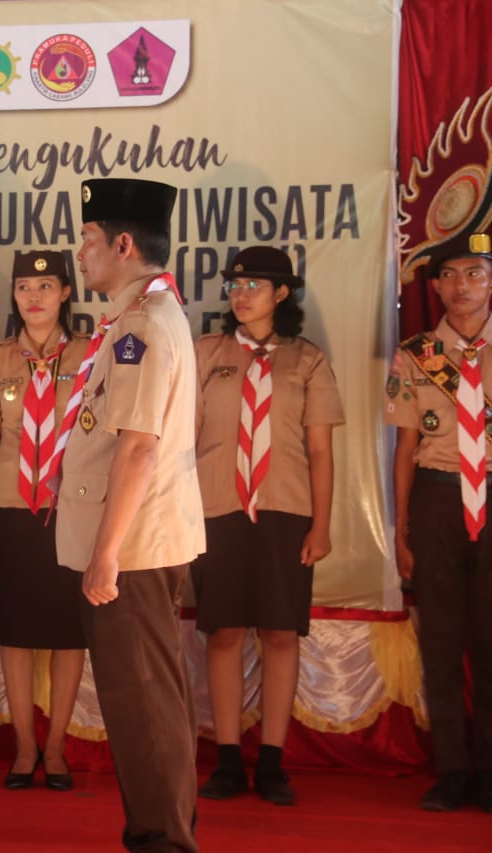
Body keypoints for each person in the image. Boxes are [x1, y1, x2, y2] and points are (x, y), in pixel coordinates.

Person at [52, 178, 203, 852]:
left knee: (141, 702)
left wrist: (106, 554)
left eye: (88, 239)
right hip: (138, 538)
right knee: (148, 699)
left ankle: (163, 840)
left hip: (133, 547)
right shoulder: (139, 315)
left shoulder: (143, 324)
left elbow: (138, 446)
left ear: (122, 244)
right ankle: (162, 830)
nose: (80, 252)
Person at [193, 246, 344, 806]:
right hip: (217, 509)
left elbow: (320, 450)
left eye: (254, 285)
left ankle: (273, 762)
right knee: (225, 633)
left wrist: (321, 525)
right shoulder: (207, 352)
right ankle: (228, 760)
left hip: (285, 510)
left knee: (280, 634)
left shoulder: (307, 360)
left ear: (282, 294)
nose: (241, 294)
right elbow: (182, 438)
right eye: (235, 285)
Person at [0, 250, 89, 791]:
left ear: (66, 293)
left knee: (68, 634)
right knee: (12, 633)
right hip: (7, 507)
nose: (33, 298)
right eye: (24, 288)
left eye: (45, 286)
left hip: (69, 510)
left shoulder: (91, 354)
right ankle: (24, 748)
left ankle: (55, 749)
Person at [387, 231, 492, 813]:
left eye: (474, 273)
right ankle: (452, 771)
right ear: (435, 287)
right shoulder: (417, 354)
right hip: (437, 498)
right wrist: (402, 529)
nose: (461, 286)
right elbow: (405, 449)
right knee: (443, 640)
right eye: (449, 275)